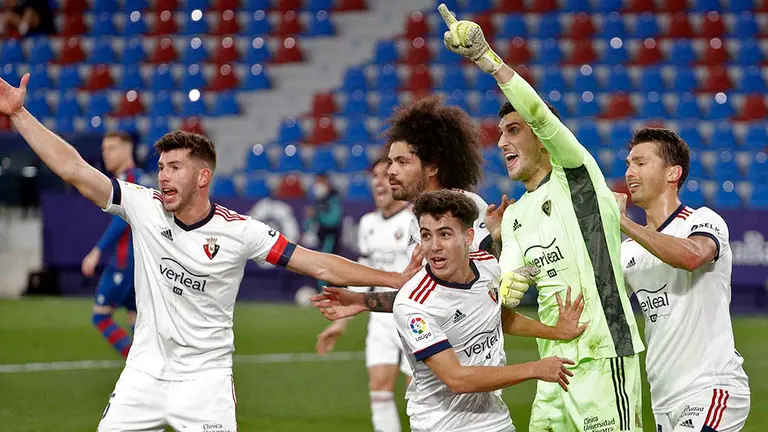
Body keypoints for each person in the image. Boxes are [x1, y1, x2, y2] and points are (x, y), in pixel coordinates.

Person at [0, 73, 423, 432]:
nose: (163, 177)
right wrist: (19, 114)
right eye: (161, 167)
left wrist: (394, 279)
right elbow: (74, 169)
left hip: (205, 383)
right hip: (143, 374)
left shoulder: (240, 231)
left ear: (202, 177)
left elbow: (316, 262)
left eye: (175, 168)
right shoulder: (143, 207)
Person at [437, 4, 645, 431]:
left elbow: (539, 115)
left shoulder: (577, 178)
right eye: (500, 134)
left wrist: (488, 61)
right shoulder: (514, 216)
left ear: (543, 139)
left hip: (603, 355)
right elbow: (512, 286)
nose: (502, 143)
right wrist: (505, 277)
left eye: (514, 131)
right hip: (552, 367)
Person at [313, 190, 586, 432]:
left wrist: (556, 332)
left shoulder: (487, 265)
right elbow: (457, 379)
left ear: (469, 237)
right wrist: (535, 368)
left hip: (494, 419)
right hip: (440, 425)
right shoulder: (414, 304)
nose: (434, 246)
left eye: (444, 234)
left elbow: (495, 315)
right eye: (426, 235)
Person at [615, 128, 751, 432]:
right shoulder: (628, 251)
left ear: (672, 173)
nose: (629, 172)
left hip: (712, 389)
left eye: (640, 163)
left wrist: (622, 222)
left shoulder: (701, 220)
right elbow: (600, 303)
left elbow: (692, 256)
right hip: (663, 401)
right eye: (628, 164)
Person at [316, 158, 415, 432]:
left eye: (386, 175)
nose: (378, 182)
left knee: (417, 395)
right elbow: (363, 276)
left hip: (415, 317)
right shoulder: (368, 223)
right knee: (379, 388)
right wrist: (340, 323)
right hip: (380, 316)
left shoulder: (415, 221)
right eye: (375, 176)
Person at [384, 95, 493, 253]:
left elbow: (494, 261)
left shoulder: (468, 205)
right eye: (391, 162)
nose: (391, 171)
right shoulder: (416, 221)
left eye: (402, 162)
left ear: (432, 168)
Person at [81, 131, 148, 358]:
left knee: (100, 316)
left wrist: (97, 251)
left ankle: (135, 363)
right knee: (136, 319)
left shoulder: (129, 181)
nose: (106, 154)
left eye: (111, 148)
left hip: (125, 262)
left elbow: (123, 220)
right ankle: (146, 368)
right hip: (141, 264)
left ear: (127, 149)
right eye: (104, 149)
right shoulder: (141, 178)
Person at [303, 173, 343, 289]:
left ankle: (325, 290)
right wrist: (310, 218)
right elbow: (308, 224)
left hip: (330, 240)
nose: (318, 186)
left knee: (326, 267)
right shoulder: (318, 200)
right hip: (320, 240)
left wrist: (318, 214)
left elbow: (333, 221)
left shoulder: (334, 199)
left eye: (320, 182)